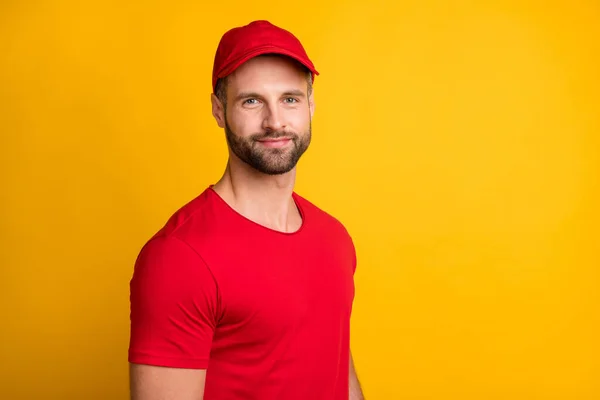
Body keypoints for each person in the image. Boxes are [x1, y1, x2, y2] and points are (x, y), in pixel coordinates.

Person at [128, 20, 364, 400]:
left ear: (311, 106)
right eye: (251, 101)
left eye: (290, 98)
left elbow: (336, 368)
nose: (275, 121)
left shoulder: (334, 238)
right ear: (219, 110)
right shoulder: (179, 257)